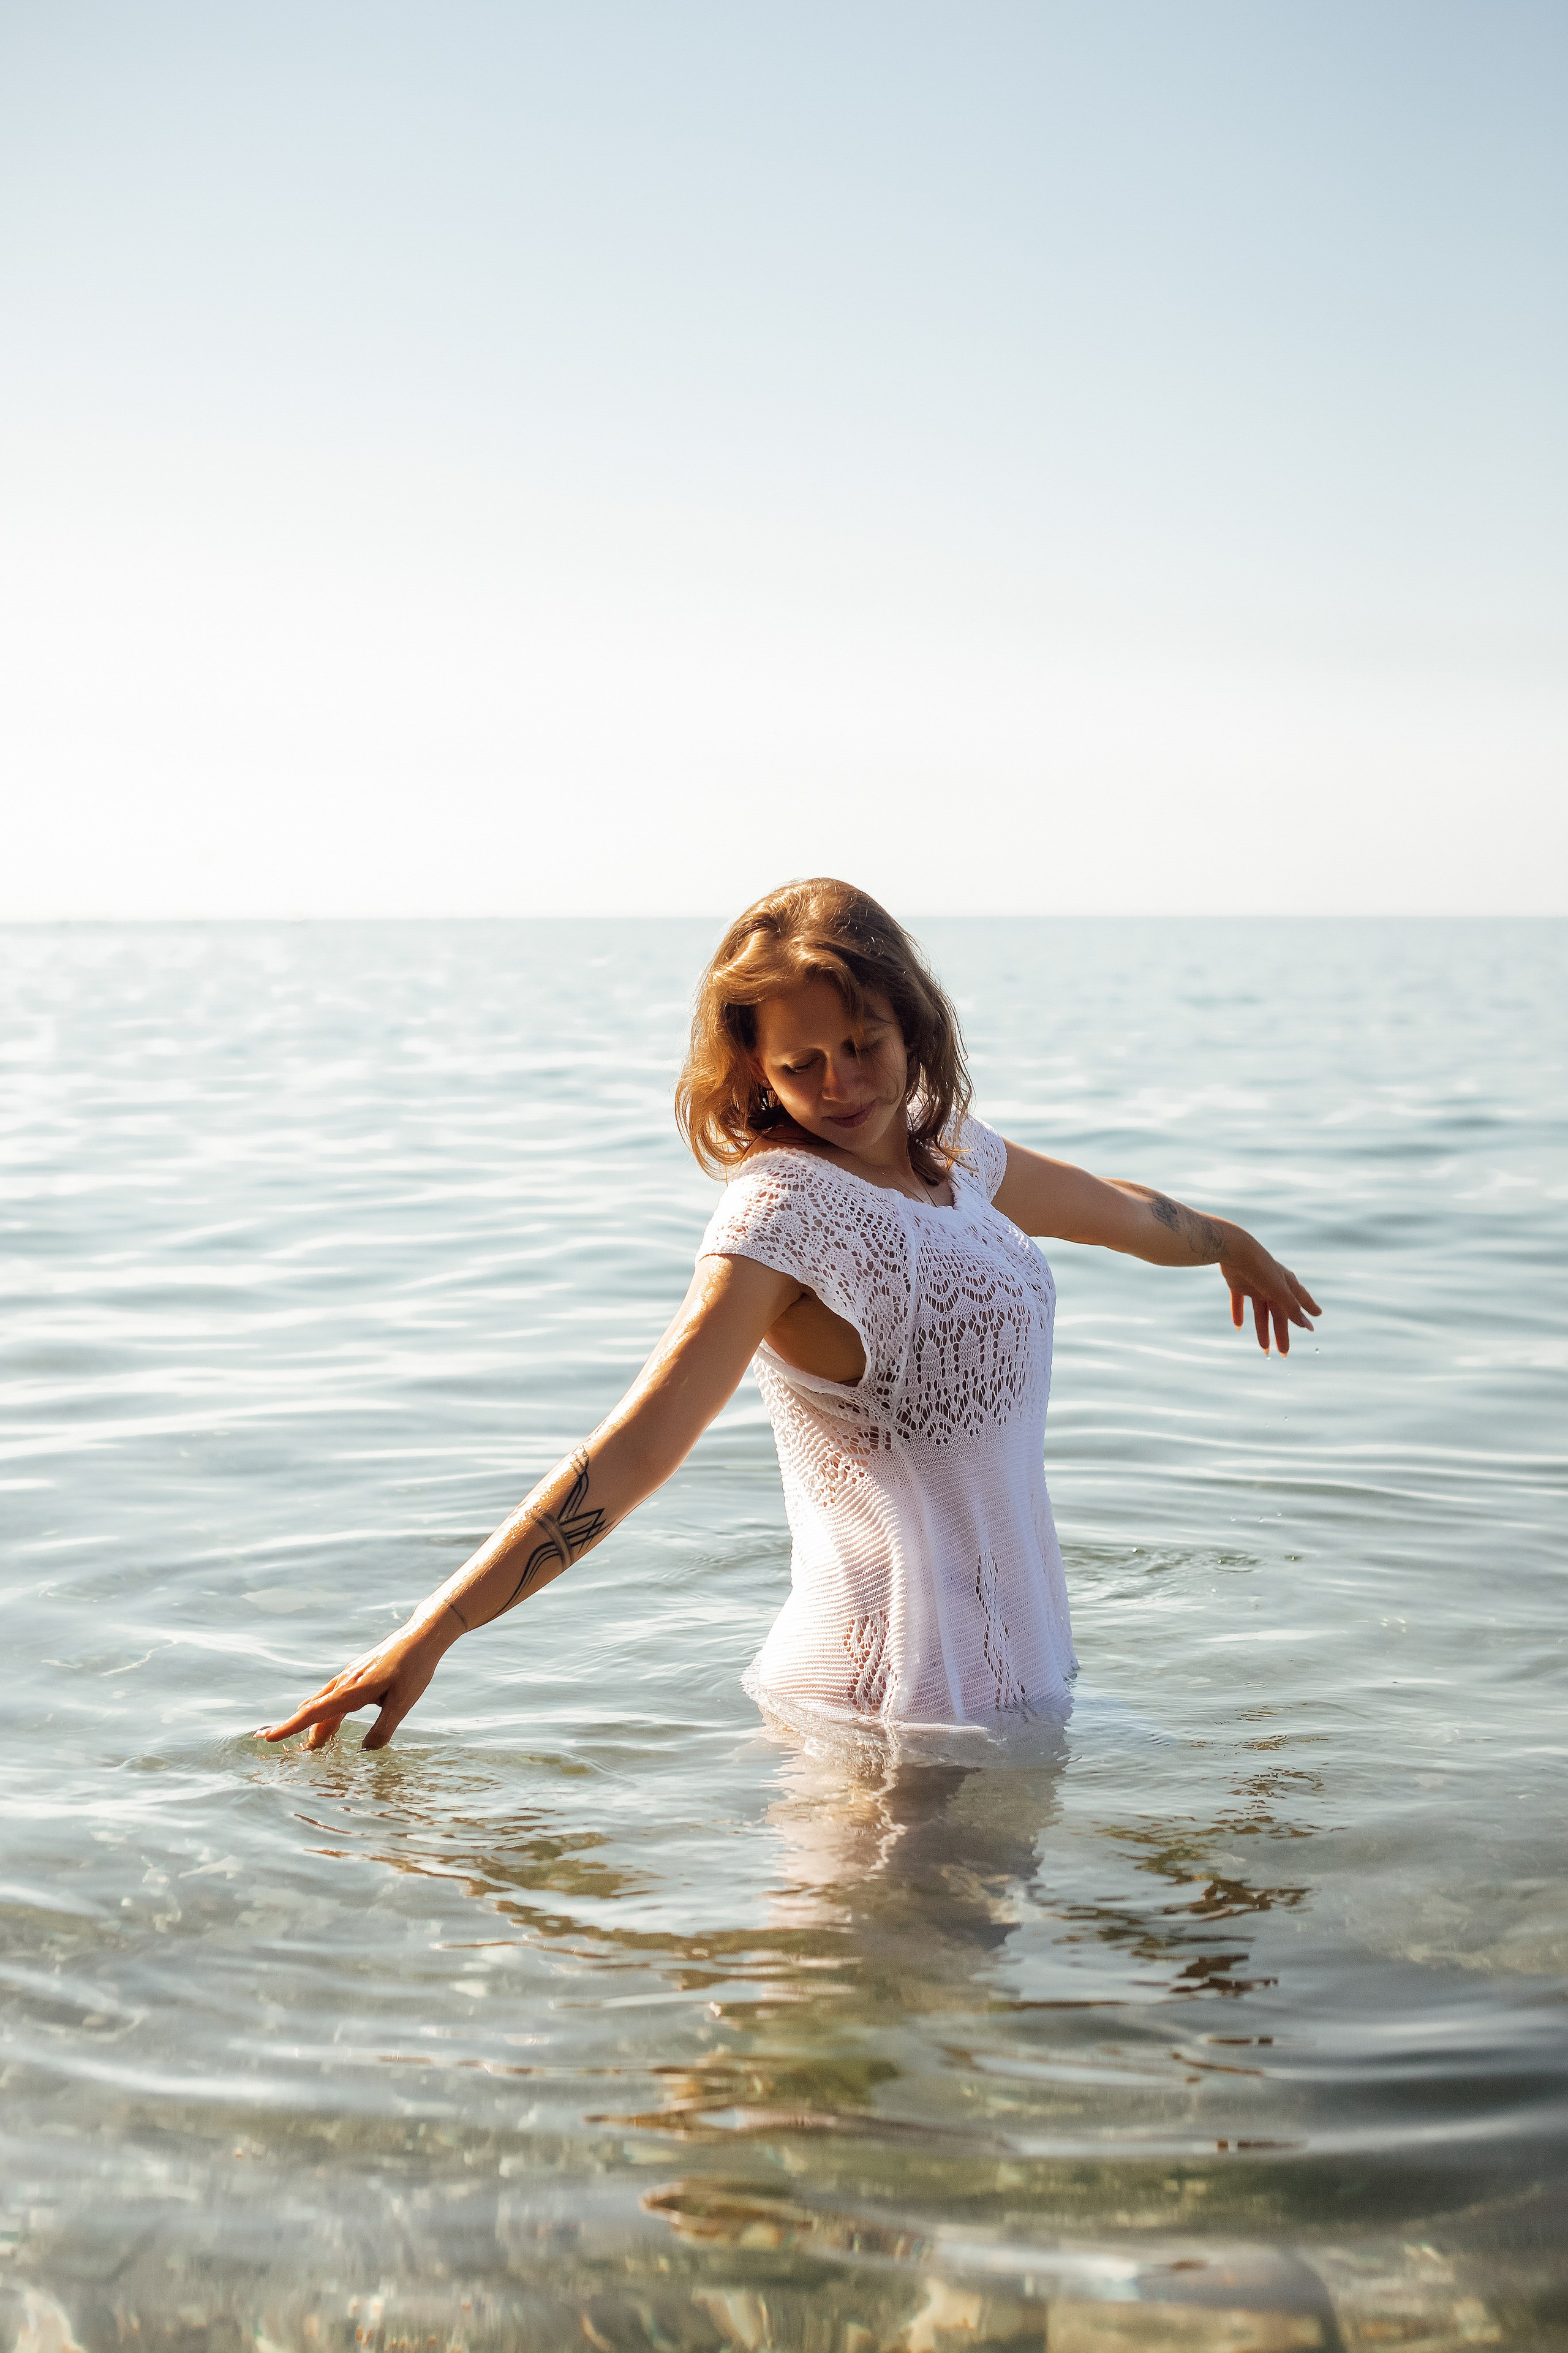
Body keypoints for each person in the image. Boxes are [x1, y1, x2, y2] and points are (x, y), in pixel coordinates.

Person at [261, 879, 1320, 1755]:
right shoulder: (783, 1210)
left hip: (1016, 1671)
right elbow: (635, 1446)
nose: (841, 1083)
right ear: (754, 1072)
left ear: (914, 1023)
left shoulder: (952, 1156)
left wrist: (1228, 1243)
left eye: (862, 1043)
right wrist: (433, 1629)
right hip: (884, 1700)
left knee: (971, 2002)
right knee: (854, 2003)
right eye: (799, 1065)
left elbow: (1123, 1211)